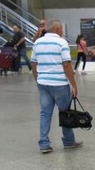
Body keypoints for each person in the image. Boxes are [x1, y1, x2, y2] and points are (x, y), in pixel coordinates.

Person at [30, 19, 82, 153]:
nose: (62, 32)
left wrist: (38, 79)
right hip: (59, 84)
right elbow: (66, 65)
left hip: (43, 84)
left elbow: (33, 63)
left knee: (45, 114)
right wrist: (74, 84)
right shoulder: (61, 42)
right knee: (65, 113)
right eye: (62, 30)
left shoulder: (37, 42)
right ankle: (69, 141)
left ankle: (44, 144)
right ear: (58, 29)